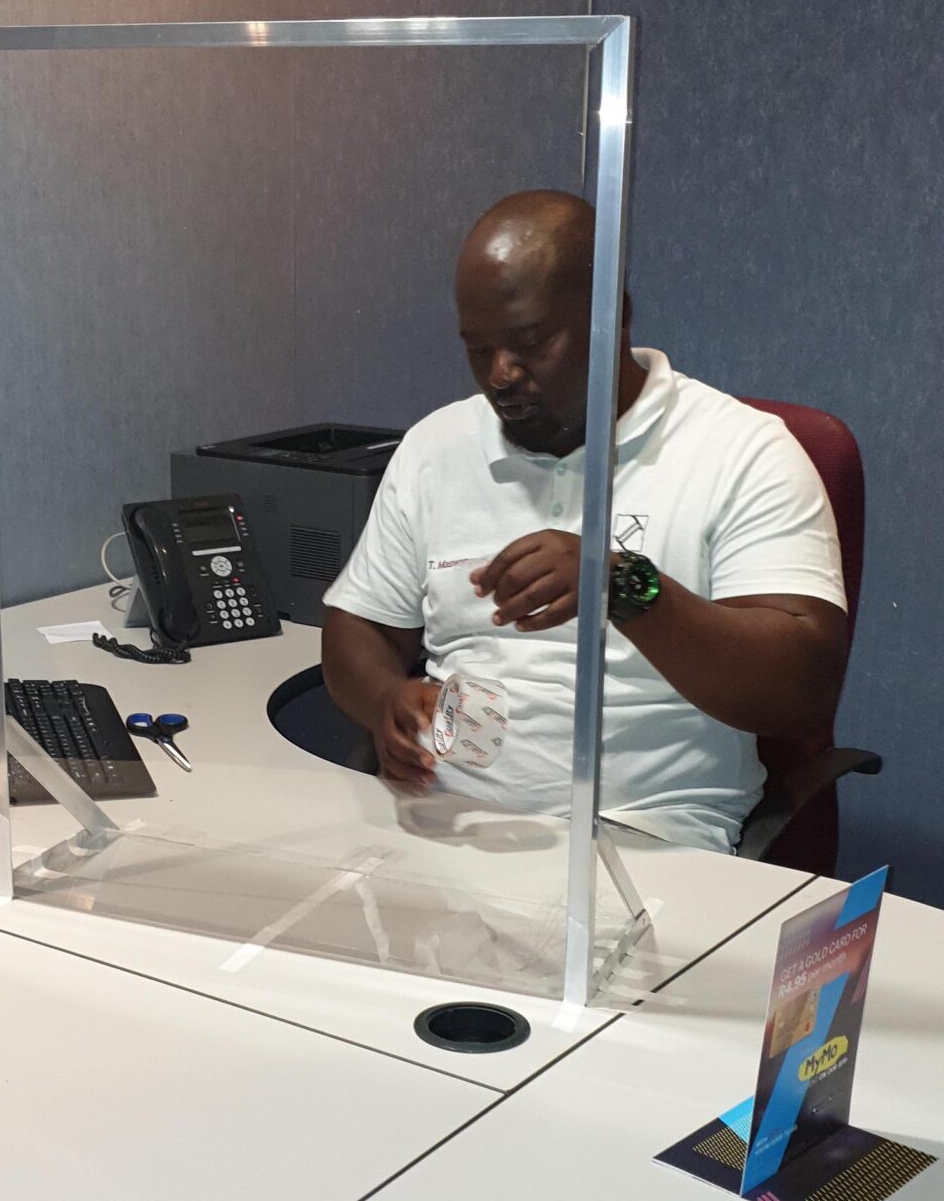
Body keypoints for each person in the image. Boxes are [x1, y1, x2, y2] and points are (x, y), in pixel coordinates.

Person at [321, 190, 848, 851]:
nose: (500, 374)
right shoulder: (436, 447)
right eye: (478, 348)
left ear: (613, 317)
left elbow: (802, 690)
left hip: (647, 835)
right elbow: (360, 627)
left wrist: (621, 586)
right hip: (446, 825)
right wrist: (384, 701)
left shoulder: (741, 451)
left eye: (530, 343)